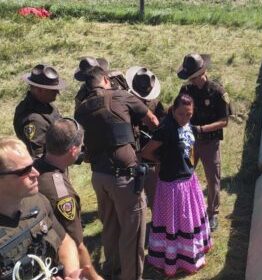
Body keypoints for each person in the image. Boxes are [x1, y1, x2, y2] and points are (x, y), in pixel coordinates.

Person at [75, 67, 159, 280]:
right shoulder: (121, 95)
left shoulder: (81, 109)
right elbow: (153, 121)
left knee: (110, 227)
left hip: (99, 177)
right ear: (105, 79)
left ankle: (113, 271)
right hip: (124, 178)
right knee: (133, 234)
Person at [142, 94, 212, 276]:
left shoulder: (190, 126)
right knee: (174, 223)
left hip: (188, 182)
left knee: (189, 220)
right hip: (171, 186)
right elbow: (146, 152)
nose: (185, 118)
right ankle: (173, 259)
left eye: (189, 114)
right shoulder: (165, 129)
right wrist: (161, 160)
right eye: (181, 114)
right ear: (173, 111)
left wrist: (190, 166)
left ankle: (190, 253)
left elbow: (191, 149)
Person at [0, 137, 86, 280]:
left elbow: (65, 242)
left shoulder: (37, 201)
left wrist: (71, 274)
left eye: (32, 165)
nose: (36, 173)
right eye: (25, 171)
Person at [34, 118, 102, 279]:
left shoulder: (34, 167)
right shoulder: (62, 194)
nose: (81, 150)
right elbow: (76, 245)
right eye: (81, 146)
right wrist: (94, 276)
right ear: (73, 150)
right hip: (58, 265)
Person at [177, 53, 231, 231]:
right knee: (184, 175)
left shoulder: (217, 92)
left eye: (193, 77)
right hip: (189, 142)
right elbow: (177, 111)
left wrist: (201, 129)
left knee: (212, 178)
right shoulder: (186, 91)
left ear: (203, 72)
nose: (191, 81)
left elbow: (224, 120)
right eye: (190, 78)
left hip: (209, 142)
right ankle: (186, 209)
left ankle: (212, 212)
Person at [125, 66, 166, 209]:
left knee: (155, 194)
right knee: (133, 196)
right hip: (130, 154)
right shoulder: (124, 103)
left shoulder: (155, 104)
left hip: (150, 155)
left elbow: (163, 128)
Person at [14, 64, 64, 158]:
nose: (58, 93)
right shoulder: (33, 120)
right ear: (40, 90)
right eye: (53, 90)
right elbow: (38, 157)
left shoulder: (46, 105)